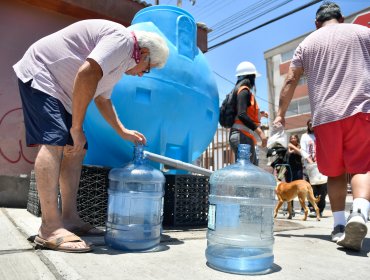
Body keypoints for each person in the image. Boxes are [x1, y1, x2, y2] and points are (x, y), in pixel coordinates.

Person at [13, 19, 169, 253]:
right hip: (42, 73)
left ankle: (69, 218)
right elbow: (87, 72)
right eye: (147, 68)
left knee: (77, 150)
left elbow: (102, 99)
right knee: (55, 142)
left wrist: (122, 130)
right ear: (143, 53)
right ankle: (49, 228)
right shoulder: (122, 40)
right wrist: (76, 128)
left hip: (61, 92)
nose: (141, 75)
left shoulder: (120, 63)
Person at [273, 1, 369, 251]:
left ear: (316, 24)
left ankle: (338, 226)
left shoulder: (307, 44)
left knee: (335, 171)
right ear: (342, 18)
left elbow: (291, 79)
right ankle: (359, 212)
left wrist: (280, 114)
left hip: (325, 118)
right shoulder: (363, 33)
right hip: (361, 110)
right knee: (362, 166)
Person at [229, 61, 267, 165]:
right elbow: (242, 114)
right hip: (241, 136)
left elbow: (243, 113)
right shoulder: (243, 91)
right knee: (248, 171)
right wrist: (260, 132)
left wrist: (260, 115)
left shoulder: (240, 91)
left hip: (242, 135)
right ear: (250, 77)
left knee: (250, 169)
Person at [300, 119, 327, 217]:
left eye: (314, 124)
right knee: (312, 188)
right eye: (310, 124)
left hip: (322, 164)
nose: (312, 126)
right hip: (310, 166)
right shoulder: (305, 136)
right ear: (308, 126)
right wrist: (309, 160)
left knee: (323, 187)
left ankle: (320, 208)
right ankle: (312, 207)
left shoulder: (321, 135)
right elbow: (302, 150)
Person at [284, 134, 303, 215]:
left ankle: (303, 208)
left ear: (297, 139)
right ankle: (290, 208)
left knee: (299, 189)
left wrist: (293, 147)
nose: (292, 139)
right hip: (289, 169)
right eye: (291, 138)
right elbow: (288, 154)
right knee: (289, 190)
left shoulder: (300, 147)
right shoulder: (288, 148)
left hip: (298, 169)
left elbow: (300, 153)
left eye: (294, 138)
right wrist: (290, 148)